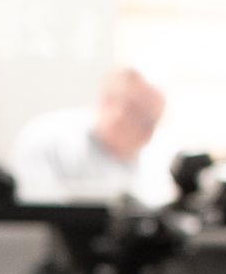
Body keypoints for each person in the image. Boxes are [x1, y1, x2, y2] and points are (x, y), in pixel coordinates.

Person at [13, 68, 172, 206]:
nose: (148, 134)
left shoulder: (156, 156)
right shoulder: (47, 138)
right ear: (109, 102)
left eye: (154, 123)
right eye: (141, 119)